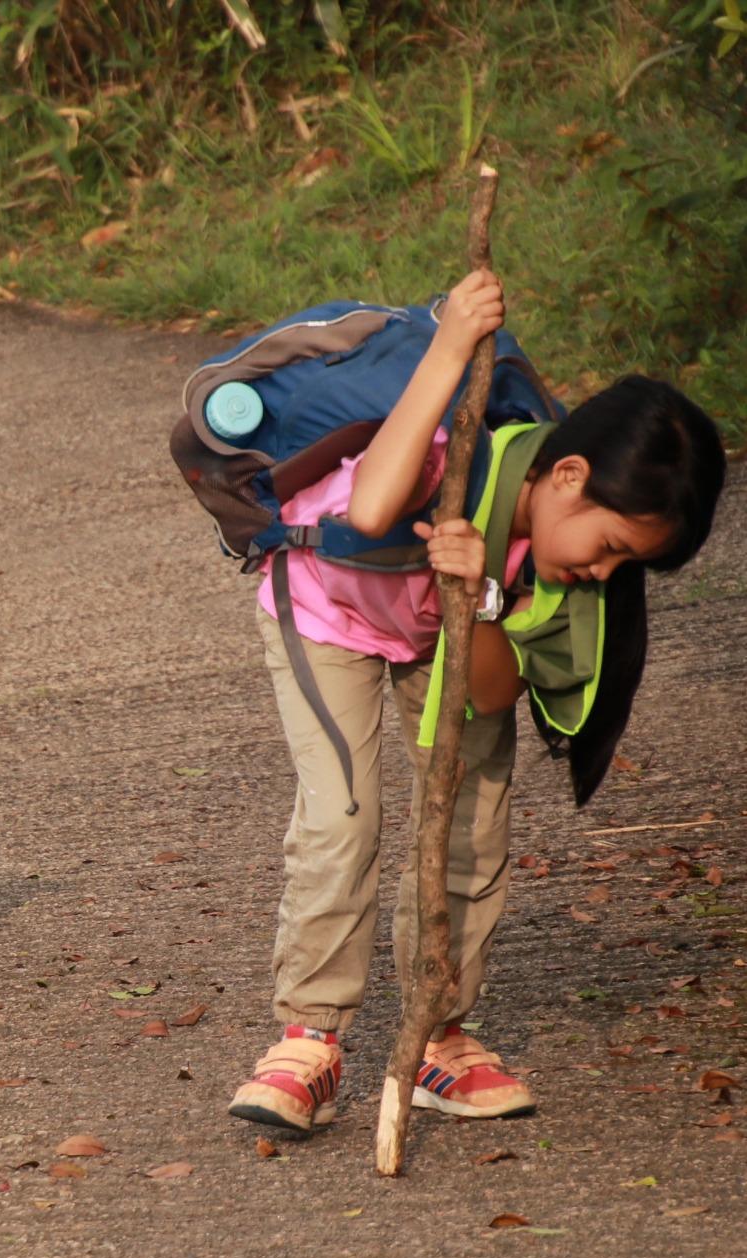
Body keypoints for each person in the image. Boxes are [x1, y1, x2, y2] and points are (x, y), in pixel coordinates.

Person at [228, 269, 725, 1133]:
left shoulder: (561, 574)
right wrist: (452, 344)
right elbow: (379, 502)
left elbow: (492, 694)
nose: (604, 573)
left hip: (445, 631)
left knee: (470, 812)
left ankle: (436, 1033)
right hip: (325, 608)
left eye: (626, 567)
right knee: (342, 814)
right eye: (608, 546)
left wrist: (481, 595)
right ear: (566, 473)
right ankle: (309, 1035)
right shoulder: (456, 443)